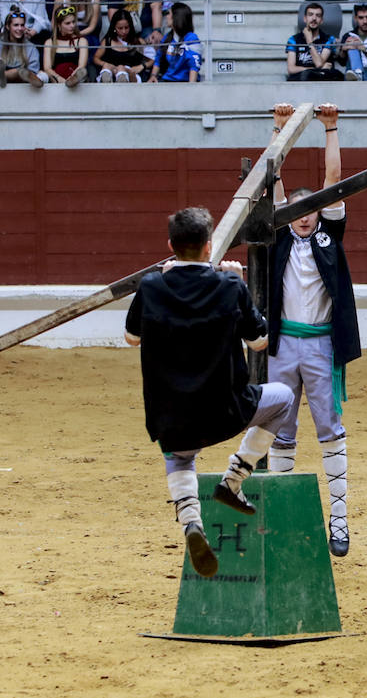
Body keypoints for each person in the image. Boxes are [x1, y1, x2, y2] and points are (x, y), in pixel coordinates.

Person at [123, 205, 288, 578]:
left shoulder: (151, 287)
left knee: (180, 458)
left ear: (170, 245)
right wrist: (240, 283)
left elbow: (132, 338)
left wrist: (160, 287)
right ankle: (233, 478)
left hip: (173, 417)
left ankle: (190, 522)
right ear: (209, 246)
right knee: (284, 399)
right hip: (225, 411)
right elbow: (260, 342)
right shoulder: (229, 286)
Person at [262, 103, 360, 555]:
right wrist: (279, 130)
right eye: (298, 209)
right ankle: (279, 522)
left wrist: (332, 129)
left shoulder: (328, 235)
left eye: (312, 209)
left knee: (329, 430)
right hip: (283, 346)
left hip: (320, 345)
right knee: (280, 431)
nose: (305, 215)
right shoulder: (281, 233)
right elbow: (273, 180)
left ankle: (339, 524)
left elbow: (334, 182)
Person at [0, 9, 46, 87]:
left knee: (21, 72)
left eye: (22, 25)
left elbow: (33, 72)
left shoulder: (30, 47)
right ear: (8, 26)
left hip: (21, 83)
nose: (20, 28)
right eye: (16, 25)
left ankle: (0, 76)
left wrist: (16, 73)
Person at [94, 10, 154, 83]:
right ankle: (107, 79)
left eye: (126, 27)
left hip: (132, 76)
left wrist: (141, 66)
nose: (124, 31)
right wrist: (104, 64)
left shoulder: (137, 42)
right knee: (107, 68)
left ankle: (122, 77)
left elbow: (152, 59)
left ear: (130, 26)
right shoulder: (108, 42)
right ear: (114, 27)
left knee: (121, 68)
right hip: (112, 72)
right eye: (120, 28)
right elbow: (96, 58)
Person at [288, 2, 344, 80]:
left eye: (318, 15)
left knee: (337, 75)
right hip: (301, 79)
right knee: (306, 75)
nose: (314, 18)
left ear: (321, 20)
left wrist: (309, 42)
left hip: (323, 78)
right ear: (305, 18)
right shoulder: (293, 40)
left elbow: (318, 63)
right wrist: (314, 69)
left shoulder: (329, 39)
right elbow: (291, 69)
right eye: (310, 14)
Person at [153, 1, 203, 82]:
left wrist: (192, 89)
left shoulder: (191, 38)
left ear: (176, 17)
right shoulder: (167, 37)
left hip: (184, 83)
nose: (167, 16)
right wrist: (153, 76)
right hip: (167, 81)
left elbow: (194, 65)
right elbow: (158, 59)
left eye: (168, 13)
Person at [41, 4, 89, 86]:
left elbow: (81, 66)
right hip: (55, 79)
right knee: (43, 74)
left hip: (76, 78)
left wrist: (71, 78)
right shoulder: (49, 42)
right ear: (59, 25)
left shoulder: (81, 41)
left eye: (73, 22)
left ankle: (72, 81)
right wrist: (59, 78)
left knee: (83, 72)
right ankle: (35, 80)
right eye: (68, 23)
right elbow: (47, 68)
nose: (72, 26)